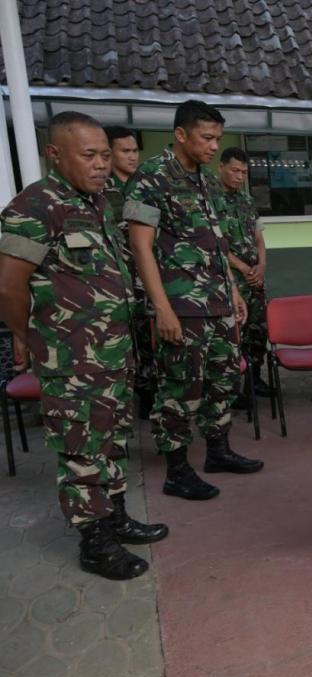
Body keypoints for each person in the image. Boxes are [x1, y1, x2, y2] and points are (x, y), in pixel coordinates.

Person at [0, 112, 167, 580]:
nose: (100, 165)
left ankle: (114, 517)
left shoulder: (98, 202)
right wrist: (31, 339)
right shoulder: (35, 206)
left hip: (112, 355)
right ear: (55, 155)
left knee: (111, 440)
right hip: (71, 360)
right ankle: (95, 543)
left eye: (104, 155)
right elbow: (8, 288)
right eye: (89, 155)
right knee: (81, 449)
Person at [124, 99, 263, 502]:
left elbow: (216, 243)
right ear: (180, 134)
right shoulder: (151, 178)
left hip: (217, 302)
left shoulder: (205, 180)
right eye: (207, 138)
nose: (213, 146)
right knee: (181, 387)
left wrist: (234, 291)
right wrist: (162, 307)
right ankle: (177, 469)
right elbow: (140, 247)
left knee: (223, 378)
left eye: (218, 138)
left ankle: (218, 451)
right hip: (181, 308)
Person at [103, 125, 157, 418]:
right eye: (125, 151)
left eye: (135, 150)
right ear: (109, 153)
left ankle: (149, 396)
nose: (132, 156)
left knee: (150, 339)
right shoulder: (99, 190)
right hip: (115, 282)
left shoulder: (148, 185)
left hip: (147, 278)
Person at [218, 147, 272, 399]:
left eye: (244, 172)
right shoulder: (210, 201)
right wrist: (242, 267)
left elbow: (259, 239)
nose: (240, 177)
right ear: (221, 168)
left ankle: (254, 380)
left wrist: (261, 266)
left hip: (255, 281)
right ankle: (232, 389)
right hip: (230, 282)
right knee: (233, 334)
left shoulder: (247, 201)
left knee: (258, 332)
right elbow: (214, 243)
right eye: (235, 171)